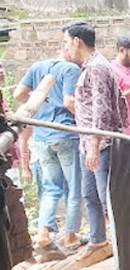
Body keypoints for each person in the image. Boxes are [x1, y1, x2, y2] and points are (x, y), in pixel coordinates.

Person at [64, 20, 128, 259]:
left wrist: (94, 146)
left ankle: (123, 246)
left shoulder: (97, 68)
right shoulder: (88, 67)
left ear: (77, 41)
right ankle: (98, 240)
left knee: (107, 199)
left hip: (100, 146)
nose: (66, 47)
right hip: (87, 144)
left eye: (66, 42)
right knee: (90, 195)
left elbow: (102, 110)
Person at [15, 47, 82, 254]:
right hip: (66, 134)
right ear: (70, 49)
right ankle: (71, 236)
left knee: (51, 188)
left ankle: (43, 233)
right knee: (74, 188)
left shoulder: (37, 67)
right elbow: (69, 102)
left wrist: (40, 105)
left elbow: (18, 94)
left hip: (42, 138)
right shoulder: (71, 69)